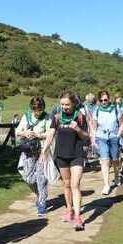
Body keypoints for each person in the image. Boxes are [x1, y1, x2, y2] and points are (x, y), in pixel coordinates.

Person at [40, 91, 89, 231]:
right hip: (61, 155)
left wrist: (78, 129)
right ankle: (69, 210)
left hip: (77, 154)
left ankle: (78, 217)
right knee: (66, 185)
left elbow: (86, 137)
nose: (64, 107)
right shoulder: (57, 117)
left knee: (75, 184)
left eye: (67, 104)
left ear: (73, 103)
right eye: (62, 104)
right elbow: (50, 134)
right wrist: (44, 150)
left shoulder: (80, 117)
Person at [16, 97, 51, 216]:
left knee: (42, 178)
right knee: (28, 177)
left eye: (40, 109)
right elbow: (17, 132)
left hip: (42, 150)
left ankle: (42, 203)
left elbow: (50, 133)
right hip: (28, 151)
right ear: (32, 108)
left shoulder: (47, 117)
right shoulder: (26, 116)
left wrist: (38, 135)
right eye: (36, 110)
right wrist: (25, 133)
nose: (38, 112)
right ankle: (39, 194)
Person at [91, 90, 123, 195]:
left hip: (114, 136)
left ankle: (116, 175)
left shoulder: (115, 109)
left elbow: (122, 123)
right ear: (99, 101)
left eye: (105, 100)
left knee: (115, 159)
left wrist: (118, 134)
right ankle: (106, 185)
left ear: (109, 99)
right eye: (101, 100)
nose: (104, 102)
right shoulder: (97, 110)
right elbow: (94, 125)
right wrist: (93, 138)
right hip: (101, 137)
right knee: (104, 160)